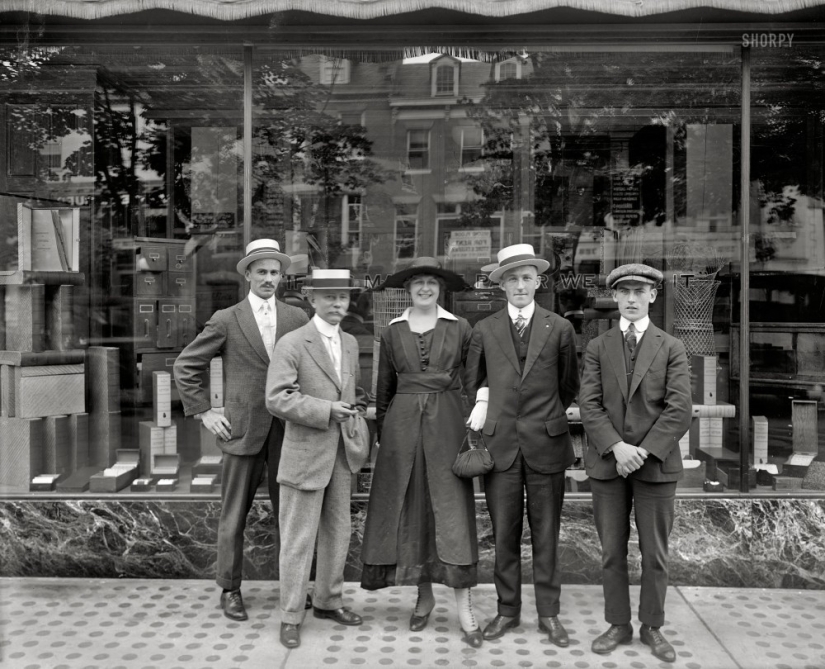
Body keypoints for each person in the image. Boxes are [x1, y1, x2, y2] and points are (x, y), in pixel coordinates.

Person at [173, 239, 309, 621]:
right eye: (261, 271)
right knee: (233, 515)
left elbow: (312, 367)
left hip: (288, 430)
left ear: (282, 276)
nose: (268, 278)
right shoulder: (227, 319)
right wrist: (204, 412)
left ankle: (293, 588)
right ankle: (229, 589)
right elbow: (186, 365)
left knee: (291, 515)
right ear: (248, 274)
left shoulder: (297, 318)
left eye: (274, 272)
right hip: (242, 430)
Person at [361, 257, 482, 647]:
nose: (425, 288)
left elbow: (475, 379)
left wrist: (475, 420)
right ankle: (423, 597)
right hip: (402, 429)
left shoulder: (460, 327)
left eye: (432, 282)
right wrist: (384, 433)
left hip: (448, 424)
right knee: (412, 509)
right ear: (408, 289)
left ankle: (465, 608)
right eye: (418, 283)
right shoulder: (392, 331)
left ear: (440, 288)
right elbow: (383, 389)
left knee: (451, 509)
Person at [465, 243, 580, 645]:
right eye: (511, 279)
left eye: (526, 278)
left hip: (546, 443)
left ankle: (549, 614)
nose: (519, 285)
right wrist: (490, 408)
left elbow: (568, 385)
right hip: (501, 448)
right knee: (504, 534)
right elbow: (473, 381)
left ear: (538, 282)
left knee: (547, 534)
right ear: (501, 285)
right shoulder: (484, 329)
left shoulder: (559, 328)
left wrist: (544, 418)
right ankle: (507, 611)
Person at [578, 263, 692, 664]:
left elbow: (679, 409)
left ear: (652, 297)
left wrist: (641, 451)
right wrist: (617, 447)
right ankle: (618, 624)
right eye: (623, 292)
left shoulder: (671, 346)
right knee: (611, 551)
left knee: (654, 553)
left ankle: (652, 627)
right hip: (609, 465)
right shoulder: (598, 346)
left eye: (639, 292)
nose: (630, 299)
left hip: (655, 465)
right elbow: (589, 405)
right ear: (614, 297)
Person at [266, 268, 371, 650]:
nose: (338, 304)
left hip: (341, 454)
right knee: (298, 539)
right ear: (312, 299)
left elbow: (353, 391)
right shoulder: (292, 343)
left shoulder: (350, 342)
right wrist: (327, 410)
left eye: (343, 297)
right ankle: (291, 615)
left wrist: (357, 410)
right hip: (305, 455)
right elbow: (276, 398)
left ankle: (328, 601)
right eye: (329, 297)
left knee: (337, 533)